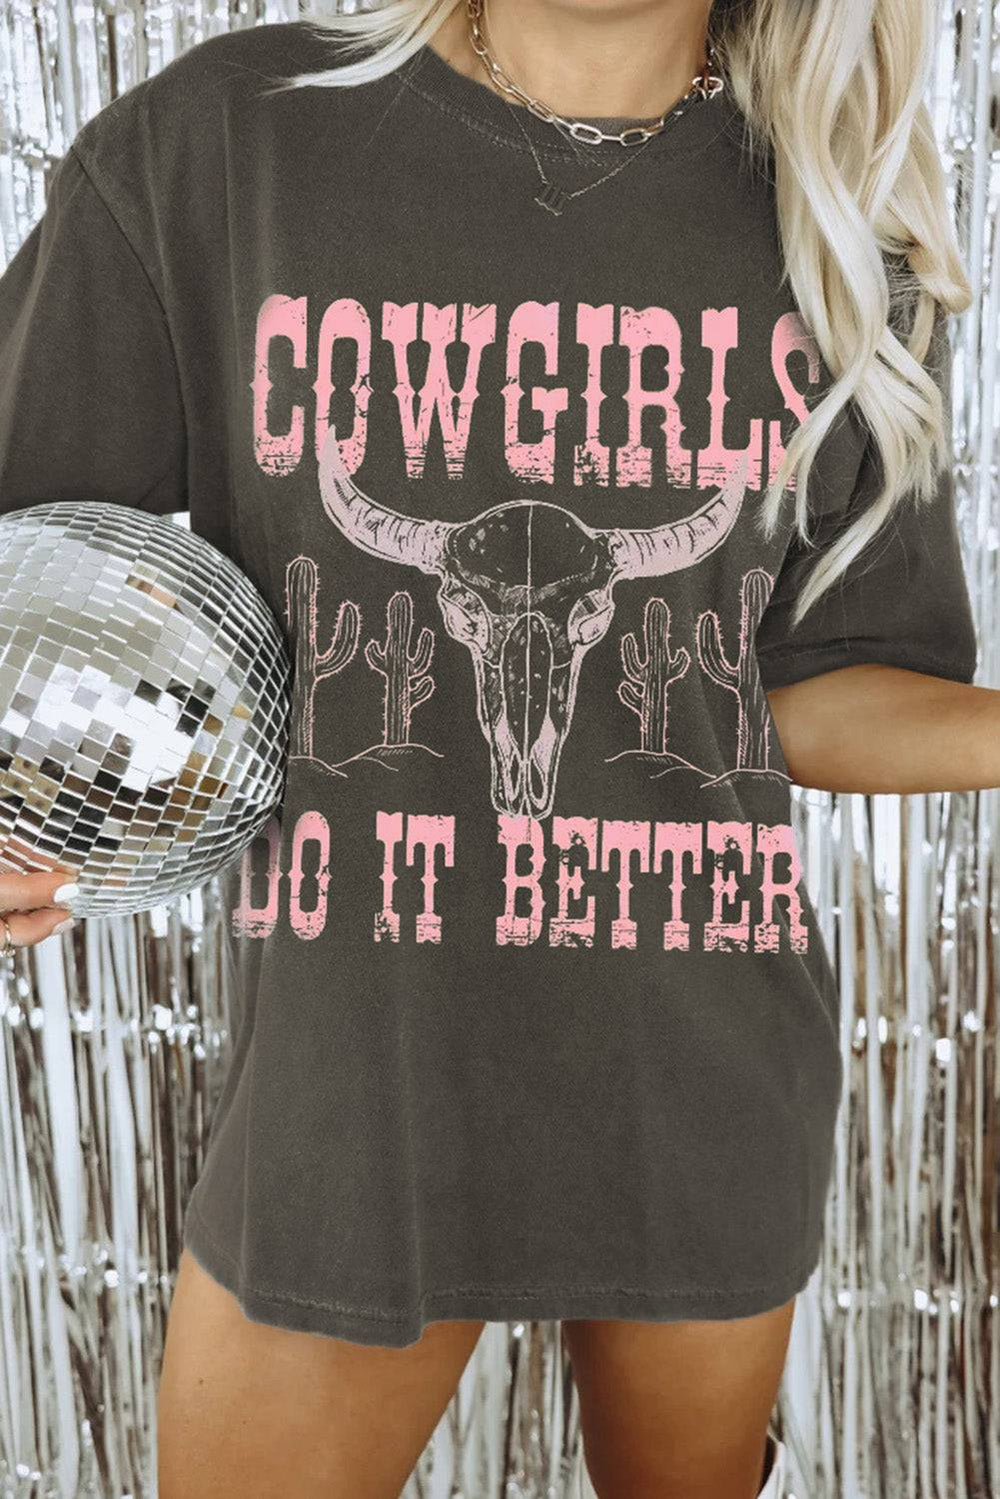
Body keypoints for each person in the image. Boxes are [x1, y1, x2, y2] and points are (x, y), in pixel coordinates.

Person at [0, 0, 992, 1494]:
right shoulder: (225, 144)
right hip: (355, 1086)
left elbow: (810, 684)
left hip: (700, 1067)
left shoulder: (838, 226)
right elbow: (29, 571)